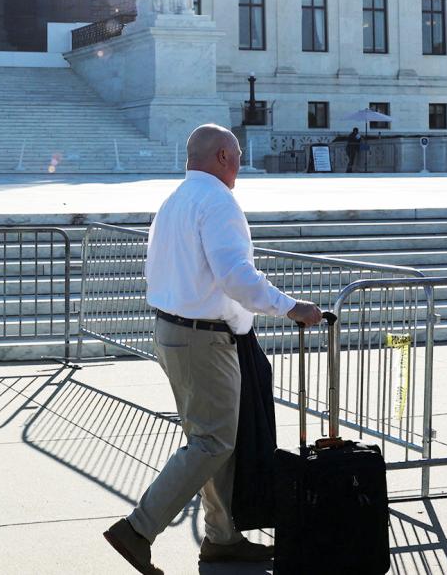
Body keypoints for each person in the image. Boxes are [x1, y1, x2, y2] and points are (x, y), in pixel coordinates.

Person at [103, 124, 324, 575]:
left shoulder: (175, 200)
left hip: (173, 331)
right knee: (213, 441)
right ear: (222, 156)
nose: (241, 163)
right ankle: (138, 528)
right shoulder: (218, 202)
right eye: (238, 155)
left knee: (210, 440)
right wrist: (290, 307)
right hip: (204, 338)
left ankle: (222, 538)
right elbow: (236, 276)